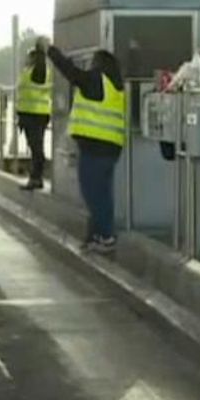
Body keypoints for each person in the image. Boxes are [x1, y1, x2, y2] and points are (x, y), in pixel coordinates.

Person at [48, 44, 125, 253]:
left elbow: (72, 74)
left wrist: (52, 51)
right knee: (103, 195)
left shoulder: (96, 80)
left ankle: (107, 237)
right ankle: (96, 236)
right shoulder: (115, 86)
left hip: (95, 149)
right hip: (111, 149)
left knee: (92, 195)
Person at [16, 38, 52, 191]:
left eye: (30, 57)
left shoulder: (39, 72)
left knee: (37, 148)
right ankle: (35, 177)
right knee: (34, 146)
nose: (27, 60)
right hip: (29, 115)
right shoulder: (28, 72)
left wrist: (40, 50)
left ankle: (36, 178)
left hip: (35, 115)